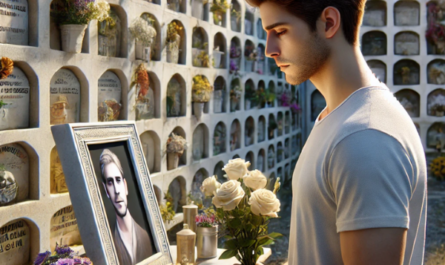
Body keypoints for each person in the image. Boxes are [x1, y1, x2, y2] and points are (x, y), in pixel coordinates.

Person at [246, 0, 427, 264]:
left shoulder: (365, 138)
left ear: (329, 23)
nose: (269, 50)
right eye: (267, 33)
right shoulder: (339, 118)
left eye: (281, 31)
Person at [99, 149, 155, 265]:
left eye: (118, 180)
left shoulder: (145, 236)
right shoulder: (109, 245)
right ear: (106, 191)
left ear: (125, 186)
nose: (116, 190)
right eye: (110, 182)